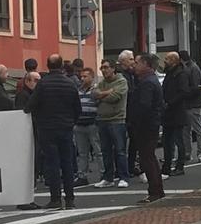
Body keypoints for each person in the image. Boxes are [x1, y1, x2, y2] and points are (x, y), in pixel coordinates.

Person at [27, 55, 81, 209]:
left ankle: (55, 198)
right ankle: (70, 199)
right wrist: (71, 121)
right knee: (67, 163)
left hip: (47, 128)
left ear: (47, 65)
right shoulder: (70, 84)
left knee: (52, 163)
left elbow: (31, 105)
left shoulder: (43, 84)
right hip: (65, 127)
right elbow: (77, 108)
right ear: (61, 66)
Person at [128, 53, 165, 202]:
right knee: (149, 158)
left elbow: (144, 106)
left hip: (146, 126)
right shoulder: (148, 80)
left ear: (146, 64)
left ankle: (155, 191)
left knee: (147, 158)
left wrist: (134, 121)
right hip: (150, 124)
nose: (134, 65)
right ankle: (156, 190)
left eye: (137, 62)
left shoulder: (147, 83)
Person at [93, 60, 130, 189]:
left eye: (106, 67)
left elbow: (115, 97)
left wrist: (102, 95)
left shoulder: (121, 81)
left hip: (117, 120)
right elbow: (94, 94)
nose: (104, 70)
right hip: (102, 120)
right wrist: (107, 92)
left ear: (113, 69)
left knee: (120, 150)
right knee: (105, 151)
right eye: (102, 68)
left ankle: (123, 177)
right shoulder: (102, 83)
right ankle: (108, 178)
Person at [160, 52, 189, 176]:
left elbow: (183, 92)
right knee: (166, 141)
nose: (165, 61)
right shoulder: (169, 73)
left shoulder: (181, 74)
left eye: (167, 59)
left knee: (178, 140)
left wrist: (170, 103)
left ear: (175, 61)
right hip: (168, 113)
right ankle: (166, 165)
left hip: (177, 112)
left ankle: (180, 166)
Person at [74, 67, 102, 185]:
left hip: (92, 124)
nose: (82, 78)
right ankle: (82, 176)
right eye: (81, 76)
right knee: (82, 152)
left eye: (85, 76)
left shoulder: (96, 90)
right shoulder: (78, 90)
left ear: (92, 77)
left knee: (98, 151)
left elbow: (99, 104)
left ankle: (103, 173)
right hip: (79, 124)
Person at [178, 50, 201, 162]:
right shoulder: (189, 68)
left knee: (197, 129)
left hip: (194, 104)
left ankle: (200, 153)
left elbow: (196, 87)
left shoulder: (193, 69)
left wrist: (184, 93)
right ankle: (188, 152)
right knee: (186, 130)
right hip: (188, 104)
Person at [117, 50, 141, 177]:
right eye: (130, 59)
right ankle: (122, 169)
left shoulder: (133, 75)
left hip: (132, 113)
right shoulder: (120, 76)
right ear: (123, 62)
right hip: (123, 113)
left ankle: (131, 166)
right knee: (120, 144)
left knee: (134, 141)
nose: (133, 62)